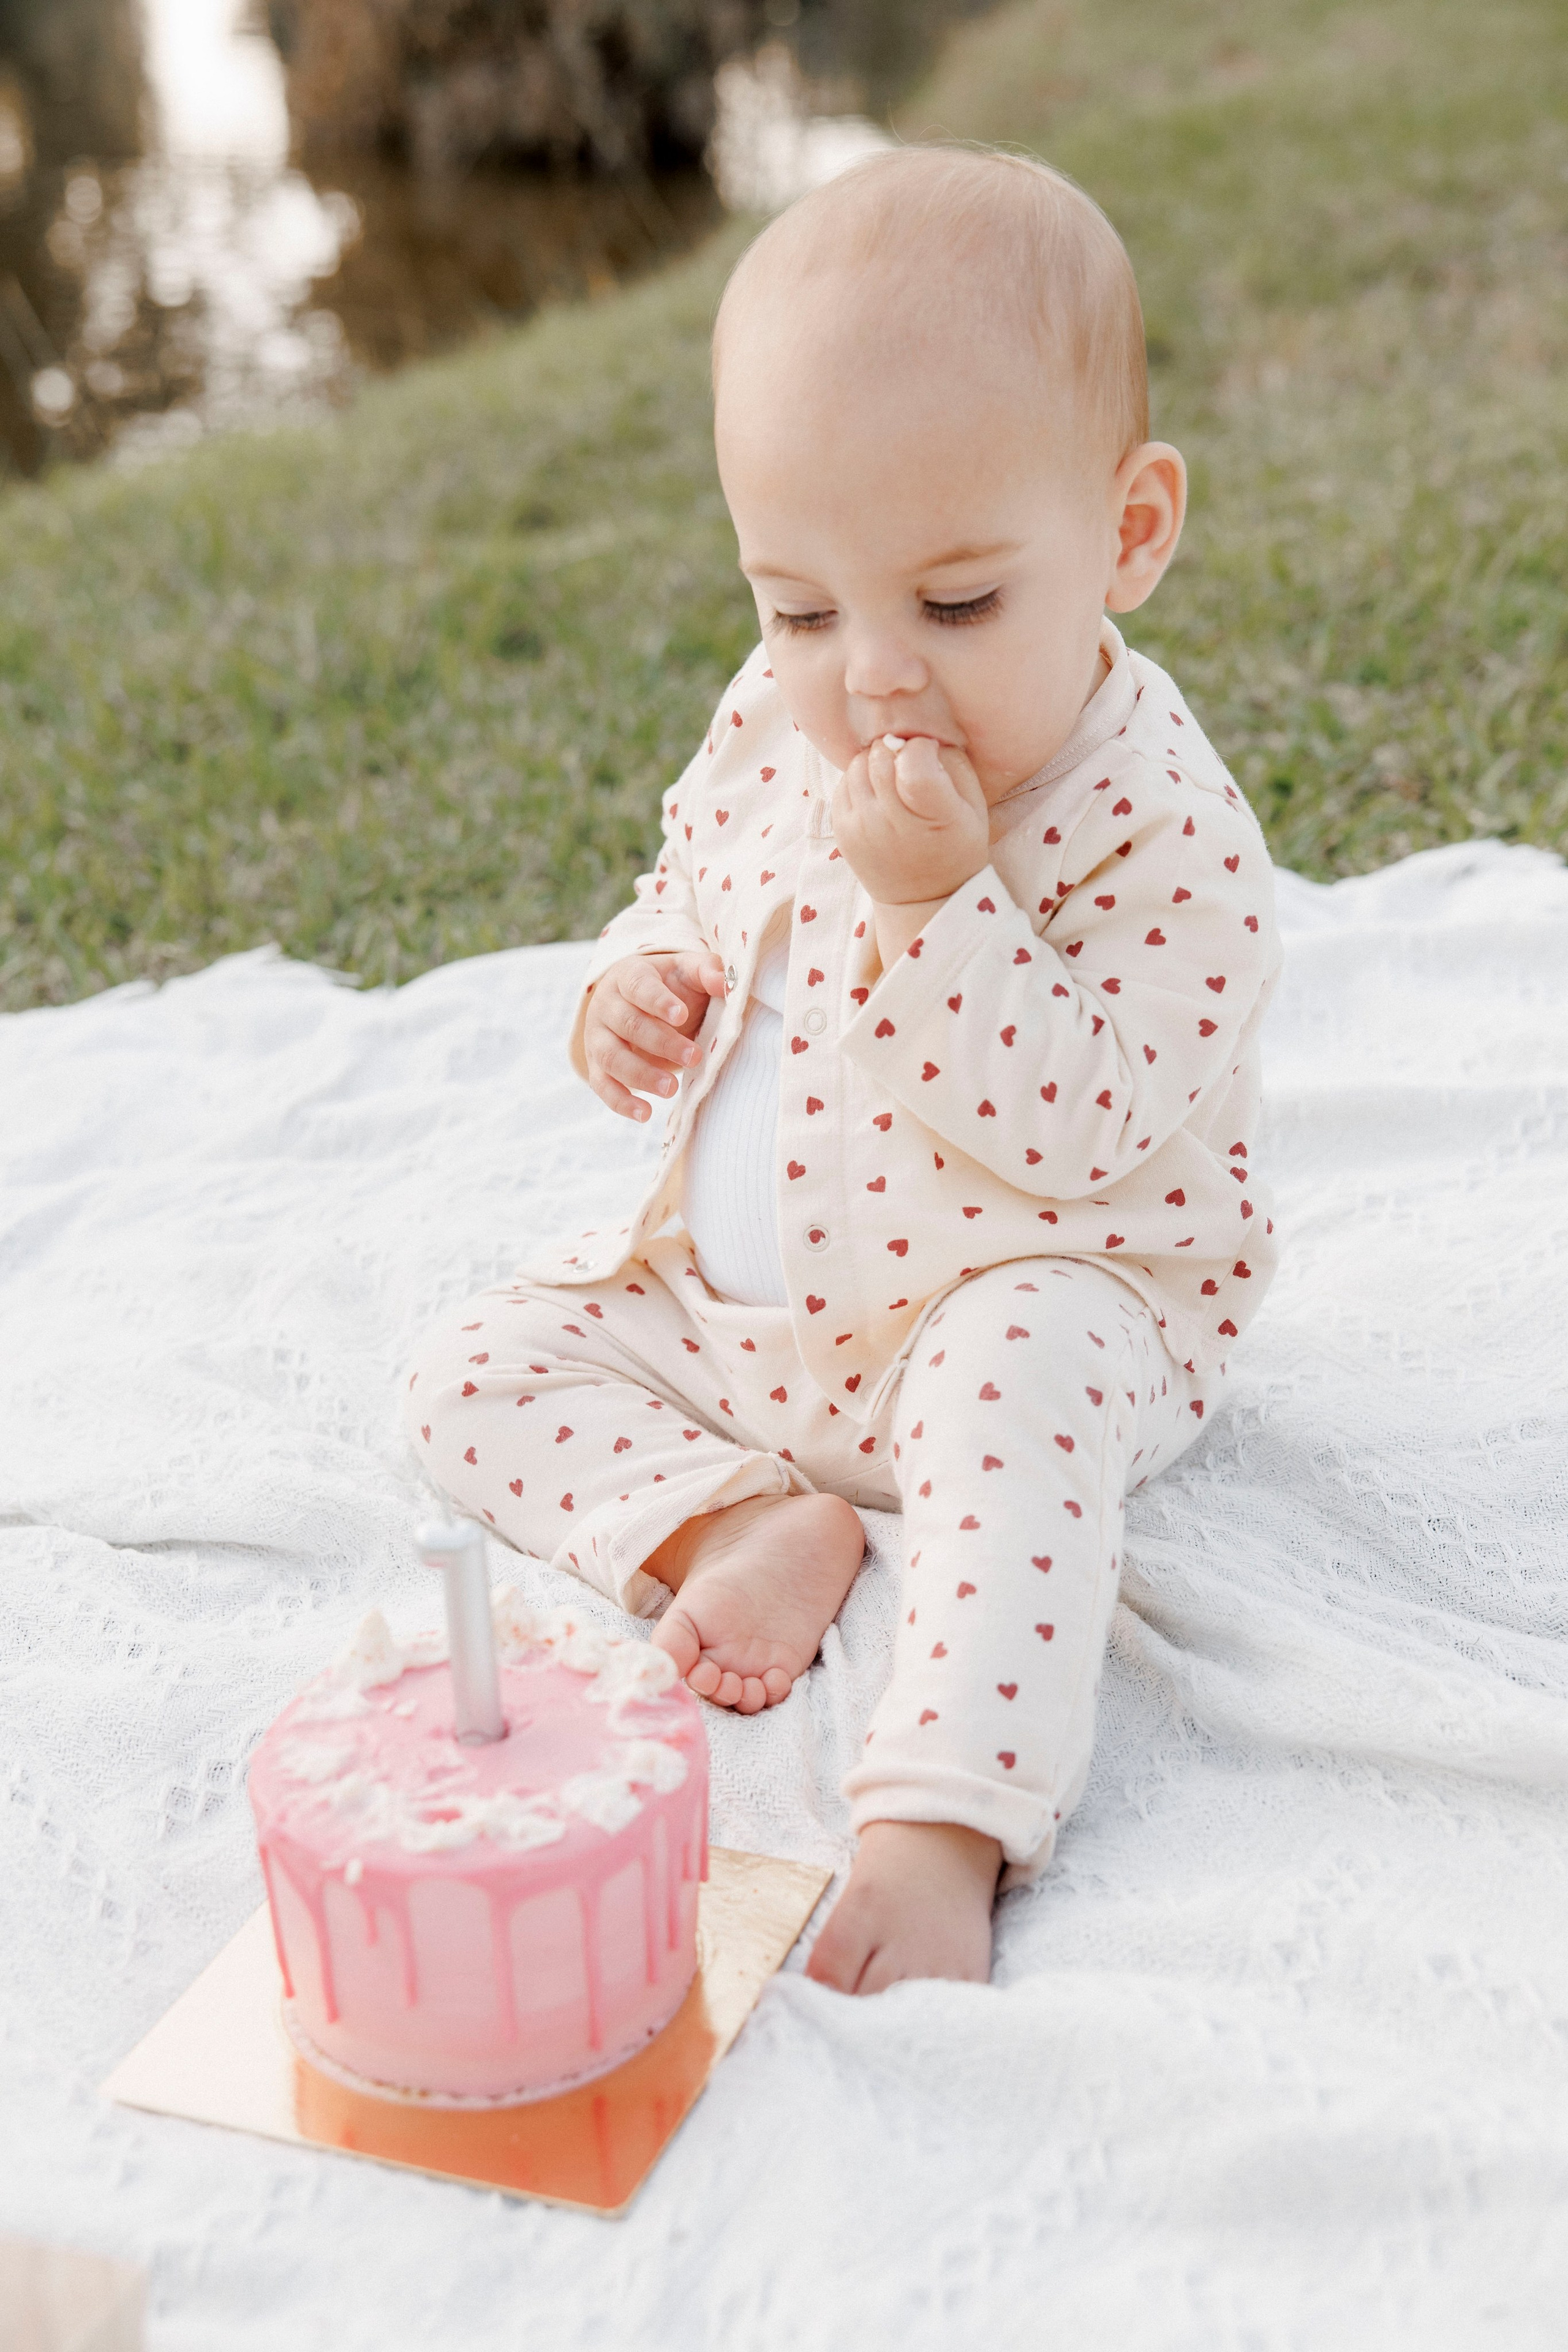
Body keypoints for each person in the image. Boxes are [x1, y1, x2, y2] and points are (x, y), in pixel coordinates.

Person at [404, 144, 1282, 1993]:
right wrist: (636, 981)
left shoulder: (1158, 829)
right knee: (471, 1363)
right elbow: (696, 872)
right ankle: (751, 1523)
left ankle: (941, 1821)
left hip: (1020, 1296)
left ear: (1129, 533)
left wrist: (941, 904)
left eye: (954, 606)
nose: (868, 678)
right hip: (753, 1342)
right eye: (800, 610)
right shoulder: (781, 713)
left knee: (1022, 1394)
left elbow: (1083, 1136)